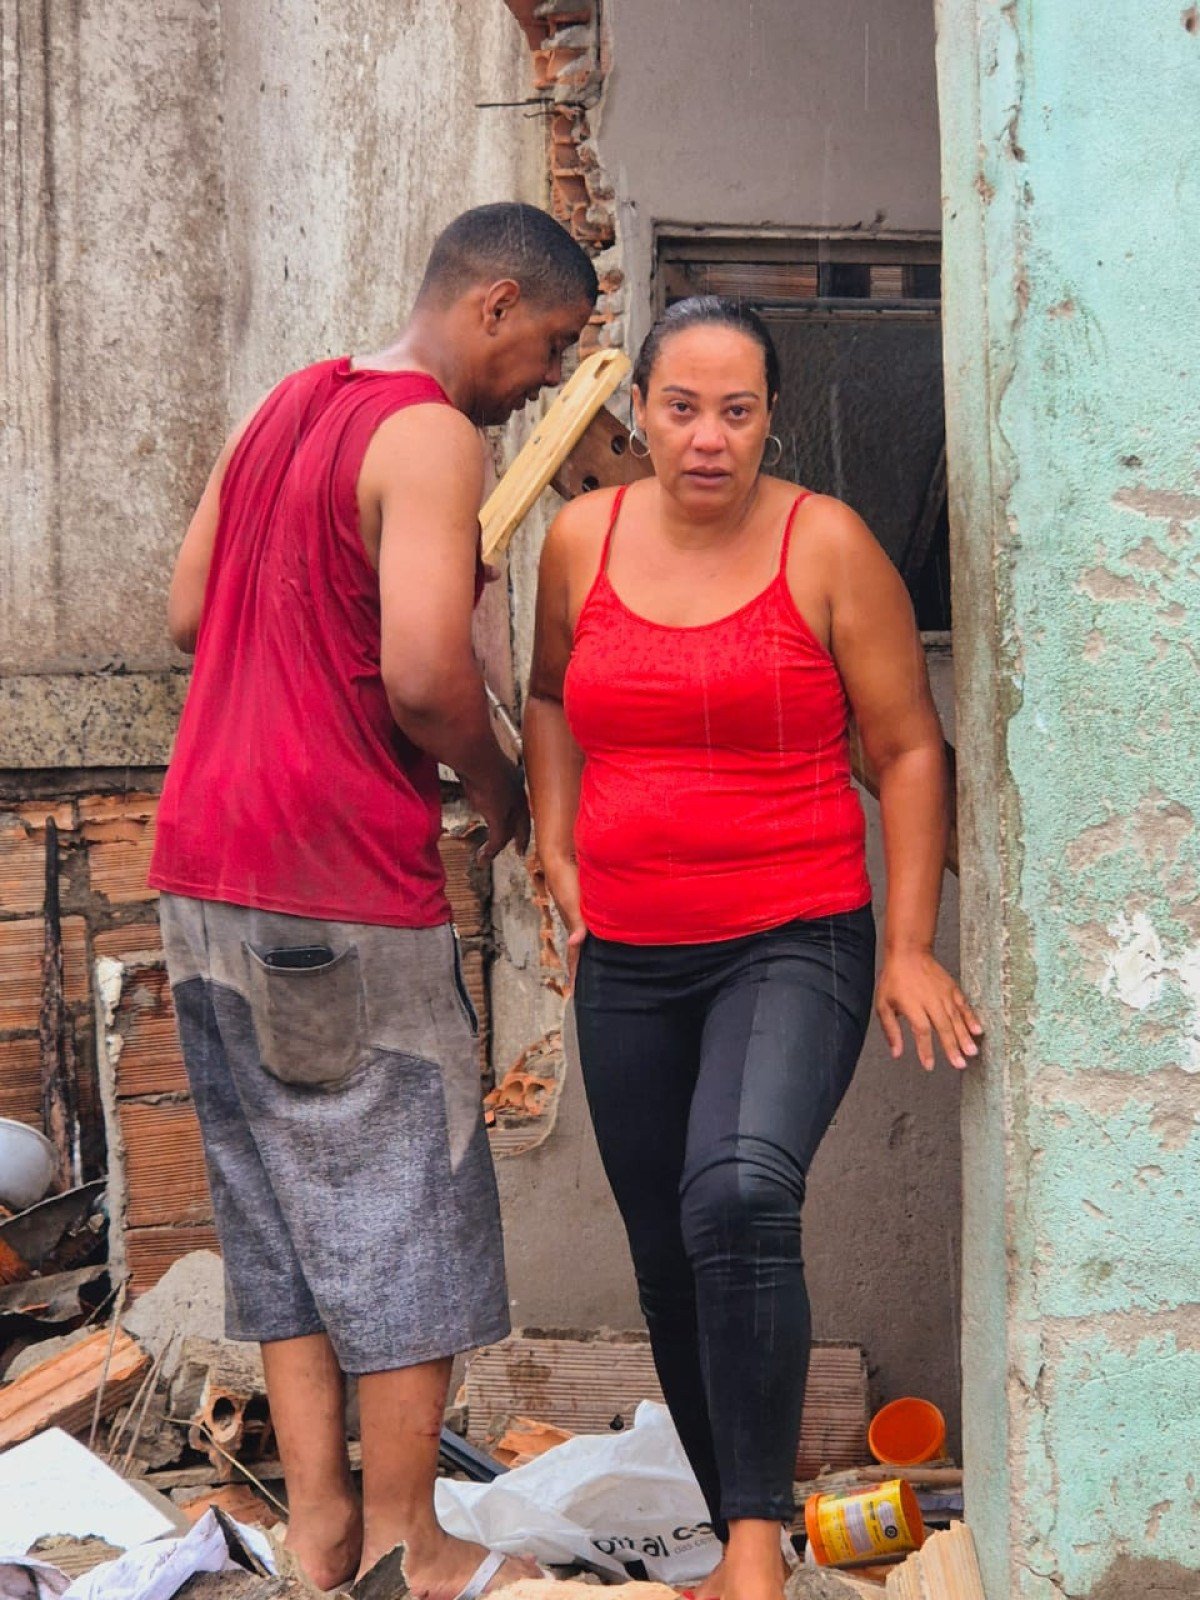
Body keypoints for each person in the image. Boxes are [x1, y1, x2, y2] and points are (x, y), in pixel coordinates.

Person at [148, 203, 596, 1599]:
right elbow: (422, 673)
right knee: (406, 1200)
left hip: (202, 868)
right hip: (332, 873)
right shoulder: (429, 436)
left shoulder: (285, 402)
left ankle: (322, 1533)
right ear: (495, 304)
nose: (542, 387)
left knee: (280, 1214)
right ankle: (412, 1540)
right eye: (553, 347)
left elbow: (184, 611)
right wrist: (506, 783)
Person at [524, 296, 982, 1600]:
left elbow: (903, 751)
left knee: (738, 1192)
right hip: (630, 954)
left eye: (737, 410)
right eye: (681, 407)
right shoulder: (578, 541)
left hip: (796, 936)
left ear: (772, 418)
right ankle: (748, 1523)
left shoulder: (828, 548)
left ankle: (752, 1550)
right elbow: (554, 694)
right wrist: (555, 837)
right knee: (669, 1258)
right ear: (645, 414)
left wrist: (906, 941)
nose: (708, 438)